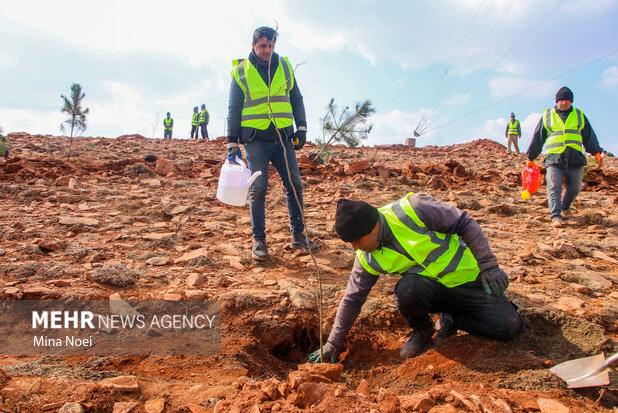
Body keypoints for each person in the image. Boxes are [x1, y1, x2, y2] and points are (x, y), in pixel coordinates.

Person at [307, 193, 523, 362]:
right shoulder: (366, 257)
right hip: (435, 292)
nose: (356, 248)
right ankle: (423, 330)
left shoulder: (414, 209)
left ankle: (452, 318)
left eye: (357, 240)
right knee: (408, 289)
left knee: (509, 327)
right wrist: (333, 343)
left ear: (373, 226)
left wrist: (489, 266)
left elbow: (464, 222)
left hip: (471, 282)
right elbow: (353, 298)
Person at [225, 26, 314, 260]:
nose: (268, 50)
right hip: (255, 140)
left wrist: (301, 127)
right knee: (259, 188)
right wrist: (231, 143)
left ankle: (298, 236)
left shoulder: (284, 65)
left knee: (294, 184)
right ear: (253, 45)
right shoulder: (241, 71)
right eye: (263, 45)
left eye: (271, 45)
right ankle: (259, 242)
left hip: (283, 138)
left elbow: (296, 97)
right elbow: (234, 108)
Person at [525, 86, 603, 228]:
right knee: (554, 187)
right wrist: (530, 158)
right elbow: (538, 137)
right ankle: (556, 216)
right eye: (561, 100)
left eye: (567, 100)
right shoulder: (548, 115)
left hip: (575, 158)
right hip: (554, 158)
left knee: (575, 188)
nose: (564, 102)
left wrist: (596, 151)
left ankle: (565, 207)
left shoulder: (579, 115)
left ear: (571, 101)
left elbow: (589, 136)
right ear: (557, 100)